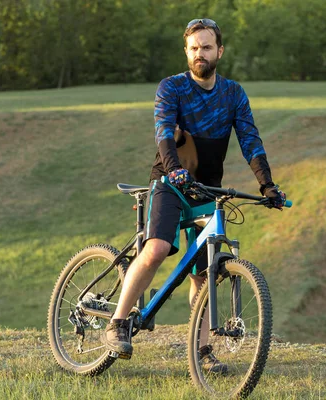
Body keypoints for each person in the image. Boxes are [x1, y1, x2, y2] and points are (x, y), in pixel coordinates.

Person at [104, 18, 285, 371]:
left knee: (204, 273)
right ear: (186, 52)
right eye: (193, 48)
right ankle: (118, 322)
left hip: (206, 188)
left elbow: (250, 141)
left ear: (219, 50)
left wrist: (267, 185)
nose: (199, 54)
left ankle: (202, 351)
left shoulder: (233, 93)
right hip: (170, 183)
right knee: (156, 248)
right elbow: (163, 134)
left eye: (206, 47)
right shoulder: (171, 87)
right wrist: (174, 170)